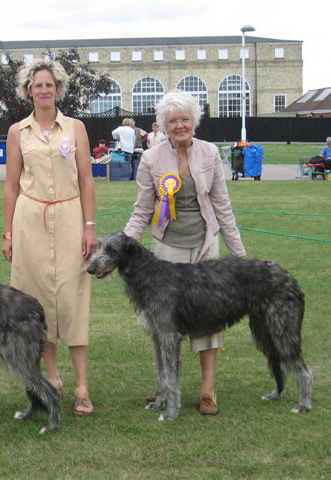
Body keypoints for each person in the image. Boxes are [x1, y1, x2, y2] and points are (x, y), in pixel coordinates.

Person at [123, 90, 247, 416]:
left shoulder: (209, 153)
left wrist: (240, 256)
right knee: (165, 327)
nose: (180, 125)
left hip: (205, 245)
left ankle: (207, 390)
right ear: (164, 125)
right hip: (166, 251)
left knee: (209, 321)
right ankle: (167, 387)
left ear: (194, 121)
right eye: (173, 120)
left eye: (185, 119)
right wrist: (121, 245)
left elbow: (223, 207)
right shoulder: (151, 159)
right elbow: (141, 210)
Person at [2, 59, 97, 415]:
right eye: (37, 85)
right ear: (28, 90)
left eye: (49, 84)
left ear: (58, 88)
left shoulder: (75, 128)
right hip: (31, 220)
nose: (44, 90)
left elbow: (87, 179)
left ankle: (83, 385)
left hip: (71, 216)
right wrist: (8, 233)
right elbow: (11, 185)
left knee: (73, 300)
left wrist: (90, 225)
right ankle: (53, 378)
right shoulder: (17, 132)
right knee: (37, 300)